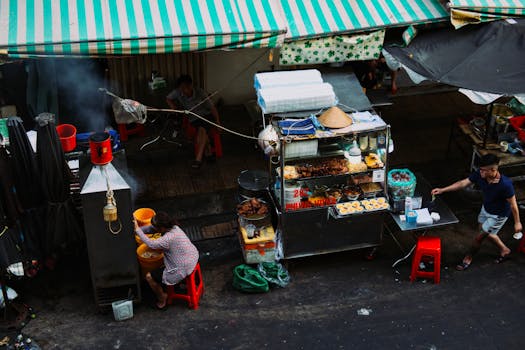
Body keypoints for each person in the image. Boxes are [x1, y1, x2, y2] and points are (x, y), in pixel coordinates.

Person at [431, 154, 522, 271]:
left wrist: (517, 222)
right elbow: (463, 183)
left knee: (479, 237)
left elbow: (513, 204)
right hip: (486, 208)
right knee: (484, 231)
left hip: (498, 215)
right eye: (480, 169)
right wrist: (443, 190)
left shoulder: (505, 184)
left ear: (493, 170)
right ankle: (504, 249)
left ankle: (469, 257)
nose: (480, 172)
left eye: (484, 170)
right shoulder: (480, 174)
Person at [134, 211, 199, 310]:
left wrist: (138, 230)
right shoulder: (175, 227)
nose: (154, 229)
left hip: (182, 268)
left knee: (149, 277)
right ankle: (181, 283)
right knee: (164, 263)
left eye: (156, 227)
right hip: (193, 257)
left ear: (162, 228)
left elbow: (151, 244)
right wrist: (137, 230)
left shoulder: (167, 239)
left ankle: (162, 298)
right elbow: (152, 229)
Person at [166, 75, 221, 169]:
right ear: (179, 88)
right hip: (193, 118)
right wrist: (174, 108)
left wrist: (218, 122)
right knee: (202, 132)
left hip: (206, 116)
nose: (185, 90)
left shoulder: (200, 92)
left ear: (191, 85)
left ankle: (198, 159)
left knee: (202, 130)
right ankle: (208, 152)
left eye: (187, 87)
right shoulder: (178, 92)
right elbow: (168, 98)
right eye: (182, 88)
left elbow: (212, 108)